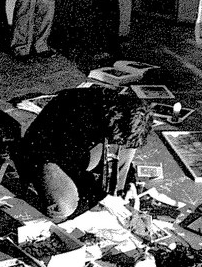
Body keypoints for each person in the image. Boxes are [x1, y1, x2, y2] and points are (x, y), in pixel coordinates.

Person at [12, 86, 152, 221]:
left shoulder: (115, 112)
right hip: (45, 156)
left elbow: (122, 145)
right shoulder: (77, 114)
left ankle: (116, 194)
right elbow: (71, 166)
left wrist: (130, 182)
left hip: (80, 152)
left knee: (128, 144)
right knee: (63, 208)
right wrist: (102, 197)